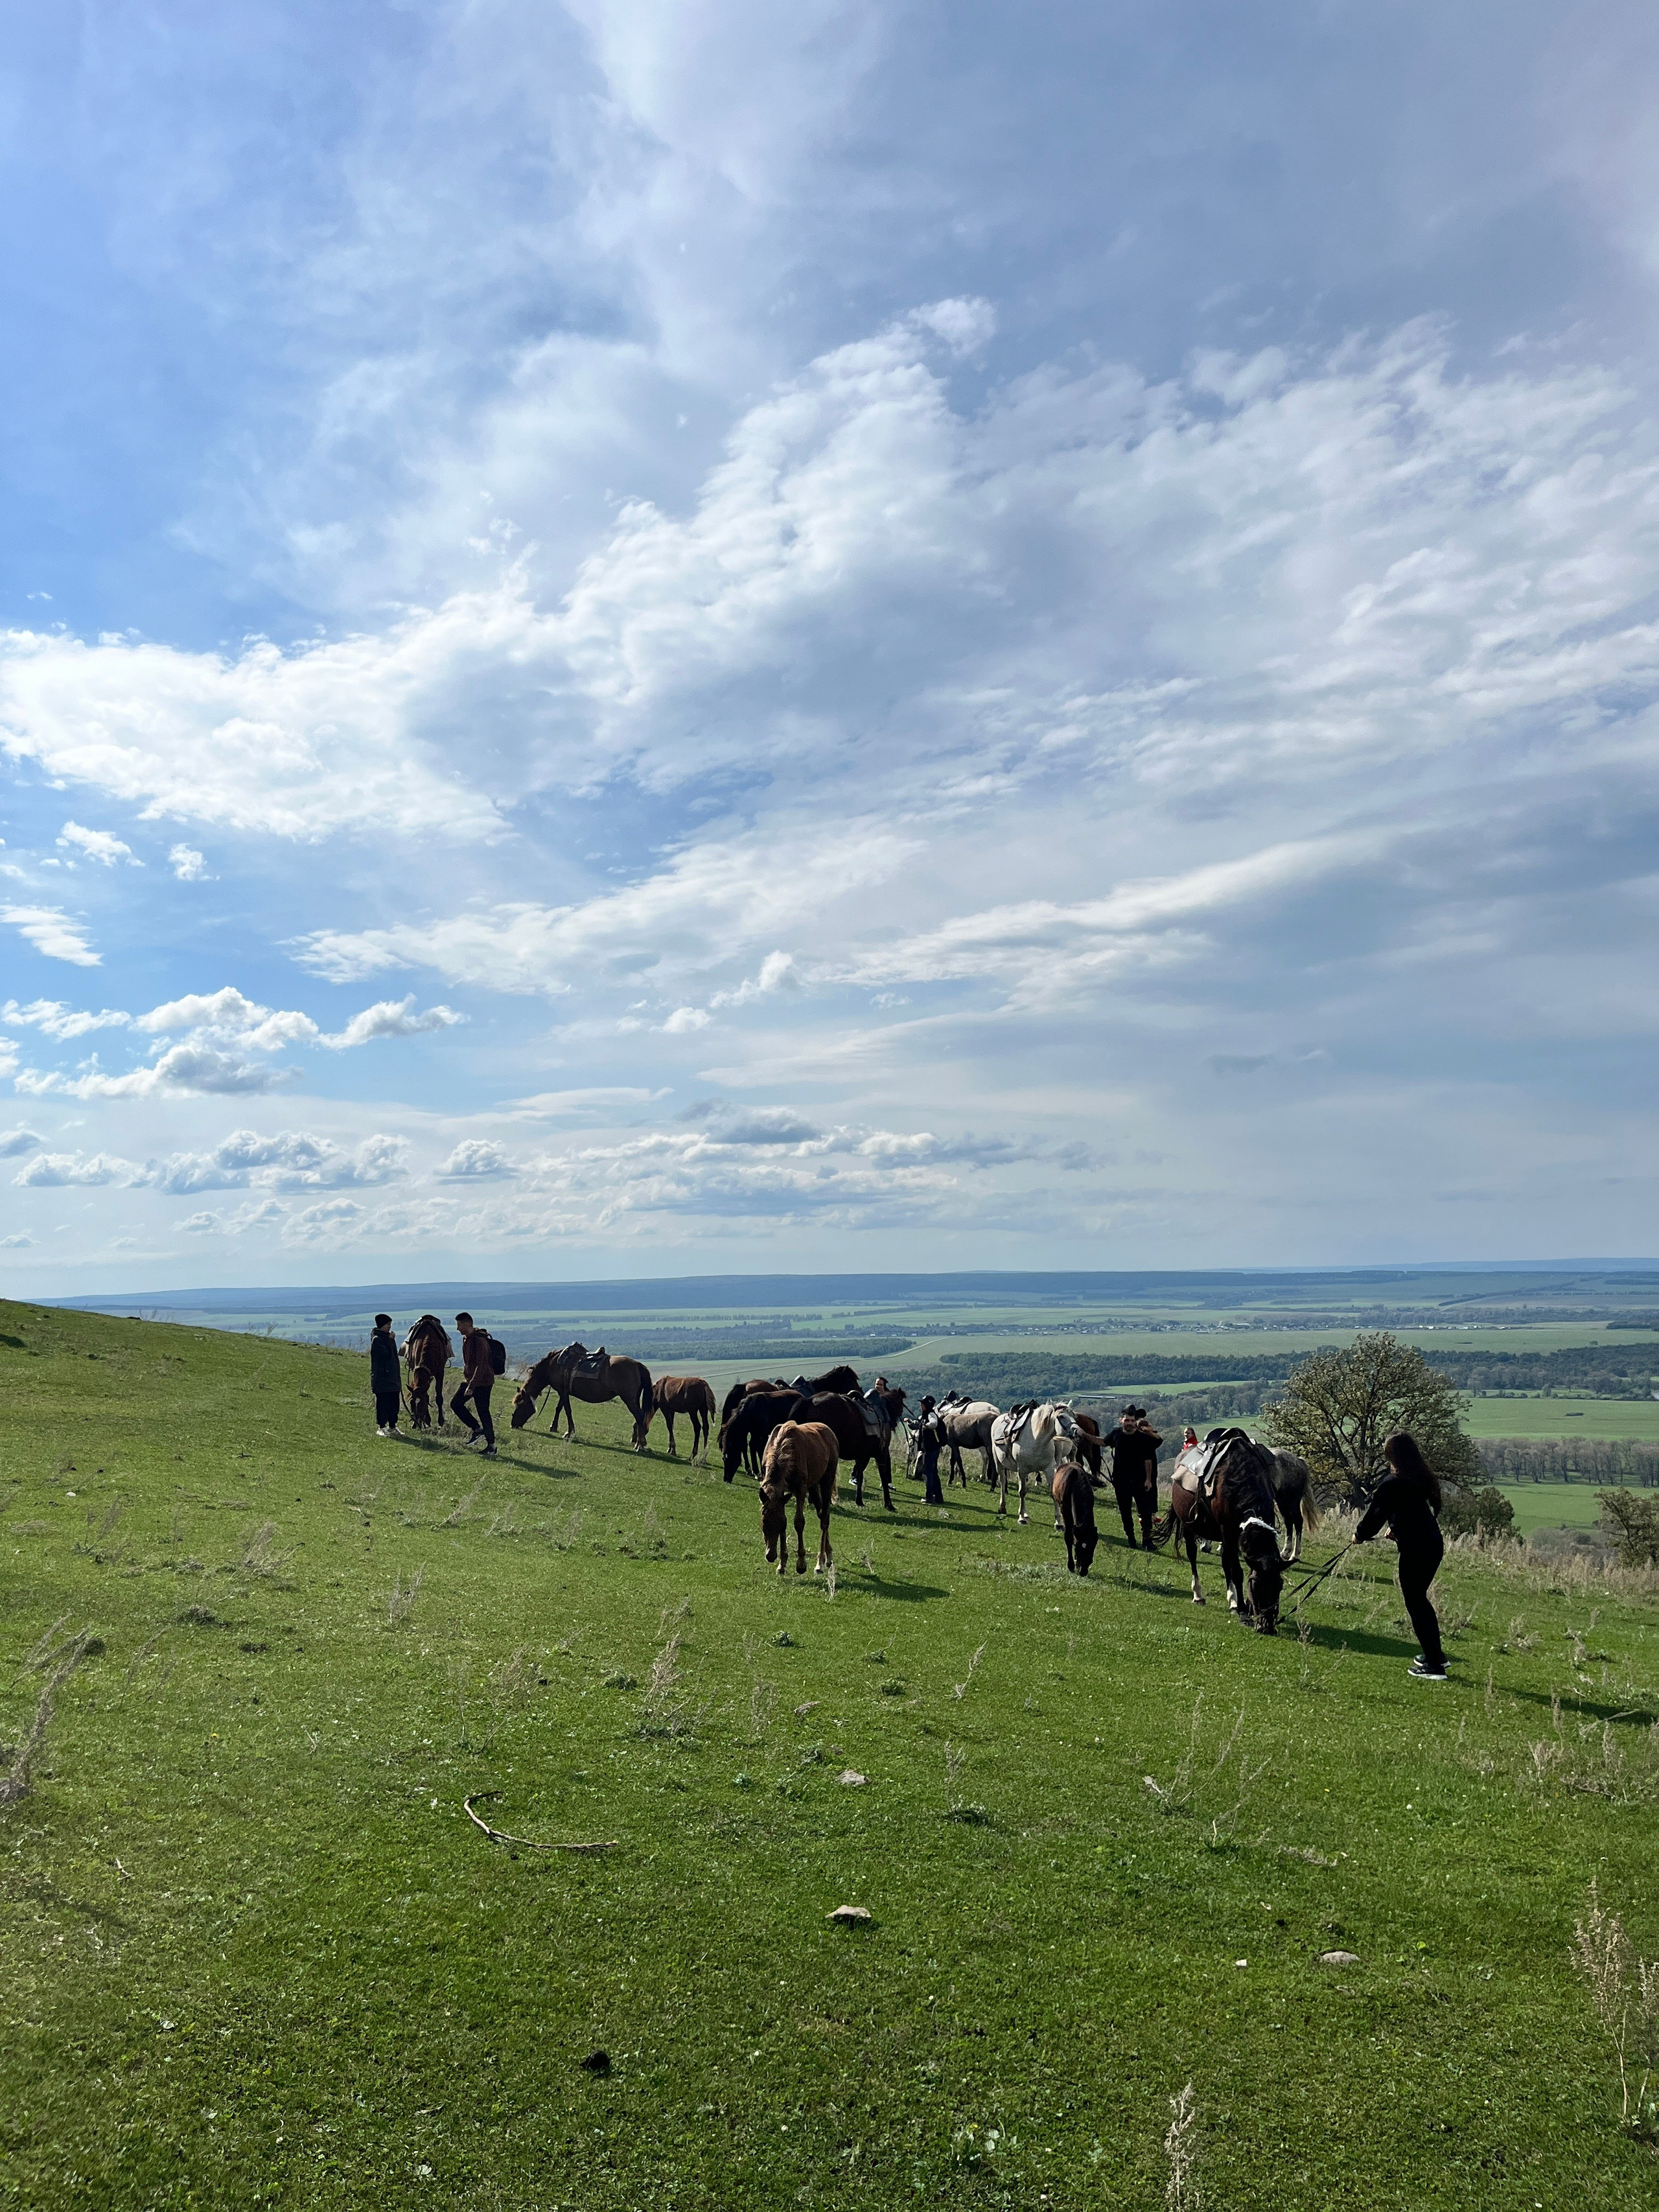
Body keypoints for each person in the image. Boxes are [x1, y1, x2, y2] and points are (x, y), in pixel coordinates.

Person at [1354, 1430, 1446, 1681]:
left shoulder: (1392, 1484)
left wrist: (1359, 1535)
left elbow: (1374, 1515)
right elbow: (1412, 1510)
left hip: (1416, 1550)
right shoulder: (1420, 1478)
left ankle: (1435, 1668)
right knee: (1420, 1600)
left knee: (1416, 1602)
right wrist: (1396, 1528)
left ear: (1392, 1457)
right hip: (1432, 1543)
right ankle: (1435, 1656)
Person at [1102, 1404, 1163, 1548]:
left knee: (1146, 1511)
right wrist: (1085, 1436)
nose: (1130, 1423)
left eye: (1132, 1420)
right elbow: (1103, 1442)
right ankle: (1131, 1539)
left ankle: (1147, 1540)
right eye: (1127, 1420)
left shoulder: (1142, 1437)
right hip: (1121, 1481)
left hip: (1140, 1481)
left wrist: (1148, 1480)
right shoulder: (1116, 1434)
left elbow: (1149, 1458)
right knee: (1125, 1512)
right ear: (1121, 1421)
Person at [451, 1311, 497, 1457]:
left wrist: (471, 1386)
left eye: (459, 1325)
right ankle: (477, 1430)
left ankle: (492, 1447)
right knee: (456, 1404)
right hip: (471, 1380)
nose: (458, 1329)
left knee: (484, 1412)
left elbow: (481, 1365)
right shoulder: (467, 1339)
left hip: (482, 1382)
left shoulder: (479, 1341)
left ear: (468, 1324)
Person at [369, 1313, 401, 1437]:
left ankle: (393, 1426)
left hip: (392, 1377)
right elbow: (386, 1355)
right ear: (382, 1325)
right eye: (388, 1324)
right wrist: (391, 1340)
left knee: (394, 1403)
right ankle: (382, 1427)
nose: (389, 1327)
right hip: (382, 1378)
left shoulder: (387, 1338)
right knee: (383, 1404)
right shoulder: (377, 1340)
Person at [915, 1406, 946, 1506]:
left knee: (928, 1473)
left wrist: (927, 1425)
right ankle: (939, 1497)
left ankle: (929, 1497)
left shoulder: (931, 1415)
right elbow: (917, 1425)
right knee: (933, 1472)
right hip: (931, 1449)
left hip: (930, 1450)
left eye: (923, 1404)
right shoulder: (925, 1416)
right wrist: (910, 1422)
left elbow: (934, 1424)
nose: (921, 1406)